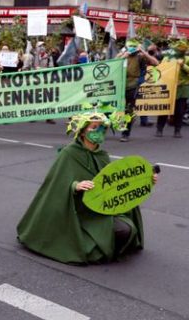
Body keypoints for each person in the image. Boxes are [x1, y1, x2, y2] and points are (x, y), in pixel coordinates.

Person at [17, 111, 153, 264]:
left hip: (103, 207)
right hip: (78, 210)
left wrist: (147, 180)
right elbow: (56, 184)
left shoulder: (102, 155)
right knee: (117, 231)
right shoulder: (68, 154)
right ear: (82, 131)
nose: (99, 132)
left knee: (127, 229)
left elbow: (119, 183)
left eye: (102, 128)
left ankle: (110, 248)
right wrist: (76, 186)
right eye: (94, 127)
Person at [117, 39, 158, 142]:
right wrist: (122, 56)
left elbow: (155, 62)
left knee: (129, 110)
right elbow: (111, 65)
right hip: (119, 86)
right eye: (130, 46)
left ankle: (125, 133)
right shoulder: (122, 55)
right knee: (114, 109)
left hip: (132, 85)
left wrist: (143, 52)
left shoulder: (140, 57)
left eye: (133, 47)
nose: (131, 49)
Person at [156, 41, 189, 138]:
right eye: (179, 49)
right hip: (168, 87)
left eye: (183, 50)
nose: (181, 51)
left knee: (179, 111)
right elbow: (161, 70)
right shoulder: (167, 58)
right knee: (164, 109)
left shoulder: (187, 59)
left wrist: (183, 65)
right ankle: (159, 129)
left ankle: (177, 130)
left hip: (182, 88)